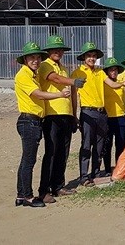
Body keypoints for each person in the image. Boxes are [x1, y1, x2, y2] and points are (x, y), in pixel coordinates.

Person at [15, 42, 71, 207]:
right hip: (29, 120)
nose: (36, 60)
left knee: (27, 159)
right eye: (32, 57)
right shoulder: (23, 75)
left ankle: (21, 195)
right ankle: (28, 196)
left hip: (34, 120)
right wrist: (60, 94)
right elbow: (38, 94)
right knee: (29, 160)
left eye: (38, 57)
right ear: (25, 59)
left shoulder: (33, 74)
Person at [71, 42, 125, 186]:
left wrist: (123, 83)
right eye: (89, 55)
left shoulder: (101, 72)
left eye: (94, 56)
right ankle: (84, 176)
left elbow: (113, 84)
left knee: (99, 146)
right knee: (86, 145)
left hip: (102, 113)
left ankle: (96, 173)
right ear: (84, 57)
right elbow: (73, 96)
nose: (92, 58)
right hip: (87, 112)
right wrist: (74, 115)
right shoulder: (77, 73)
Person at [37, 35, 84, 203]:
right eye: (55, 49)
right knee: (51, 152)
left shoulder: (64, 68)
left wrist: (74, 115)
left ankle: (58, 186)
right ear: (48, 51)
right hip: (52, 115)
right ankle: (44, 190)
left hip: (65, 115)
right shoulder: (44, 65)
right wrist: (74, 81)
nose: (58, 52)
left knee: (63, 152)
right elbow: (54, 79)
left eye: (60, 50)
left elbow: (72, 92)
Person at [102, 57, 125, 176]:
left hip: (120, 115)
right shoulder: (104, 83)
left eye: (115, 70)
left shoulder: (121, 82)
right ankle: (107, 169)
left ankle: (119, 167)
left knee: (120, 143)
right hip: (107, 116)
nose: (114, 72)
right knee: (107, 144)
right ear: (107, 71)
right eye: (111, 70)